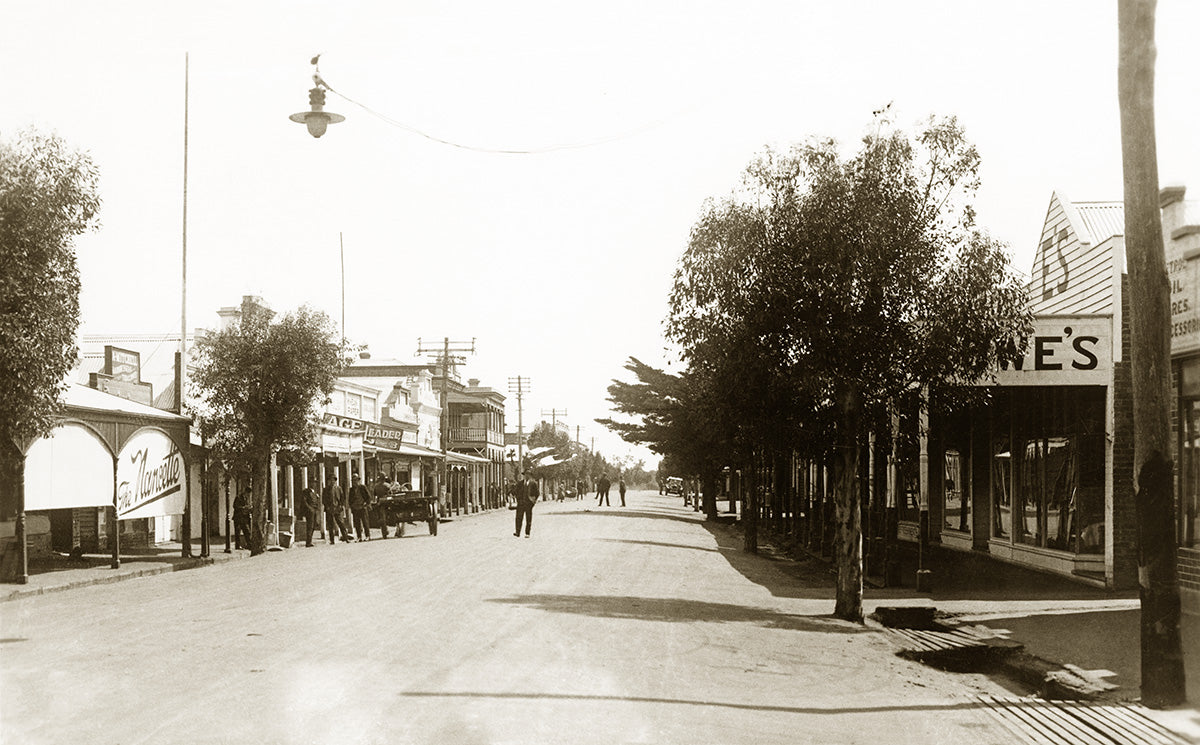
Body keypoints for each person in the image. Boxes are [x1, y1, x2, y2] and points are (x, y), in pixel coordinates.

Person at [323, 474, 352, 543]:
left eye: (333, 480)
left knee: (341, 523)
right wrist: (327, 507)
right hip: (330, 509)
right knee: (330, 525)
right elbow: (324, 499)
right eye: (331, 480)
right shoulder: (326, 489)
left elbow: (342, 498)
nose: (332, 481)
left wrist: (341, 505)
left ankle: (345, 537)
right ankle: (332, 540)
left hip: (337, 508)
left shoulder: (339, 488)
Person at [513, 473, 539, 537]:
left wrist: (533, 501)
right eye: (525, 475)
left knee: (528, 518)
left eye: (528, 475)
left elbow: (537, 493)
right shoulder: (520, 483)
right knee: (518, 518)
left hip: (529, 504)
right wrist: (518, 500)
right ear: (524, 475)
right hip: (521, 504)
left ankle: (527, 533)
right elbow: (516, 492)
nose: (527, 476)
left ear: (530, 476)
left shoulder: (533, 484)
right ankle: (517, 532)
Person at [348, 475, 370, 541]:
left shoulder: (363, 487)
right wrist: (351, 506)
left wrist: (366, 503)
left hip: (362, 507)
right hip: (355, 508)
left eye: (356, 480)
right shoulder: (351, 489)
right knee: (357, 523)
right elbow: (350, 499)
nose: (355, 482)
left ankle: (367, 536)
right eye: (354, 480)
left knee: (365, 522)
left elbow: (368, 496)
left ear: (358, 480)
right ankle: (359, 537)